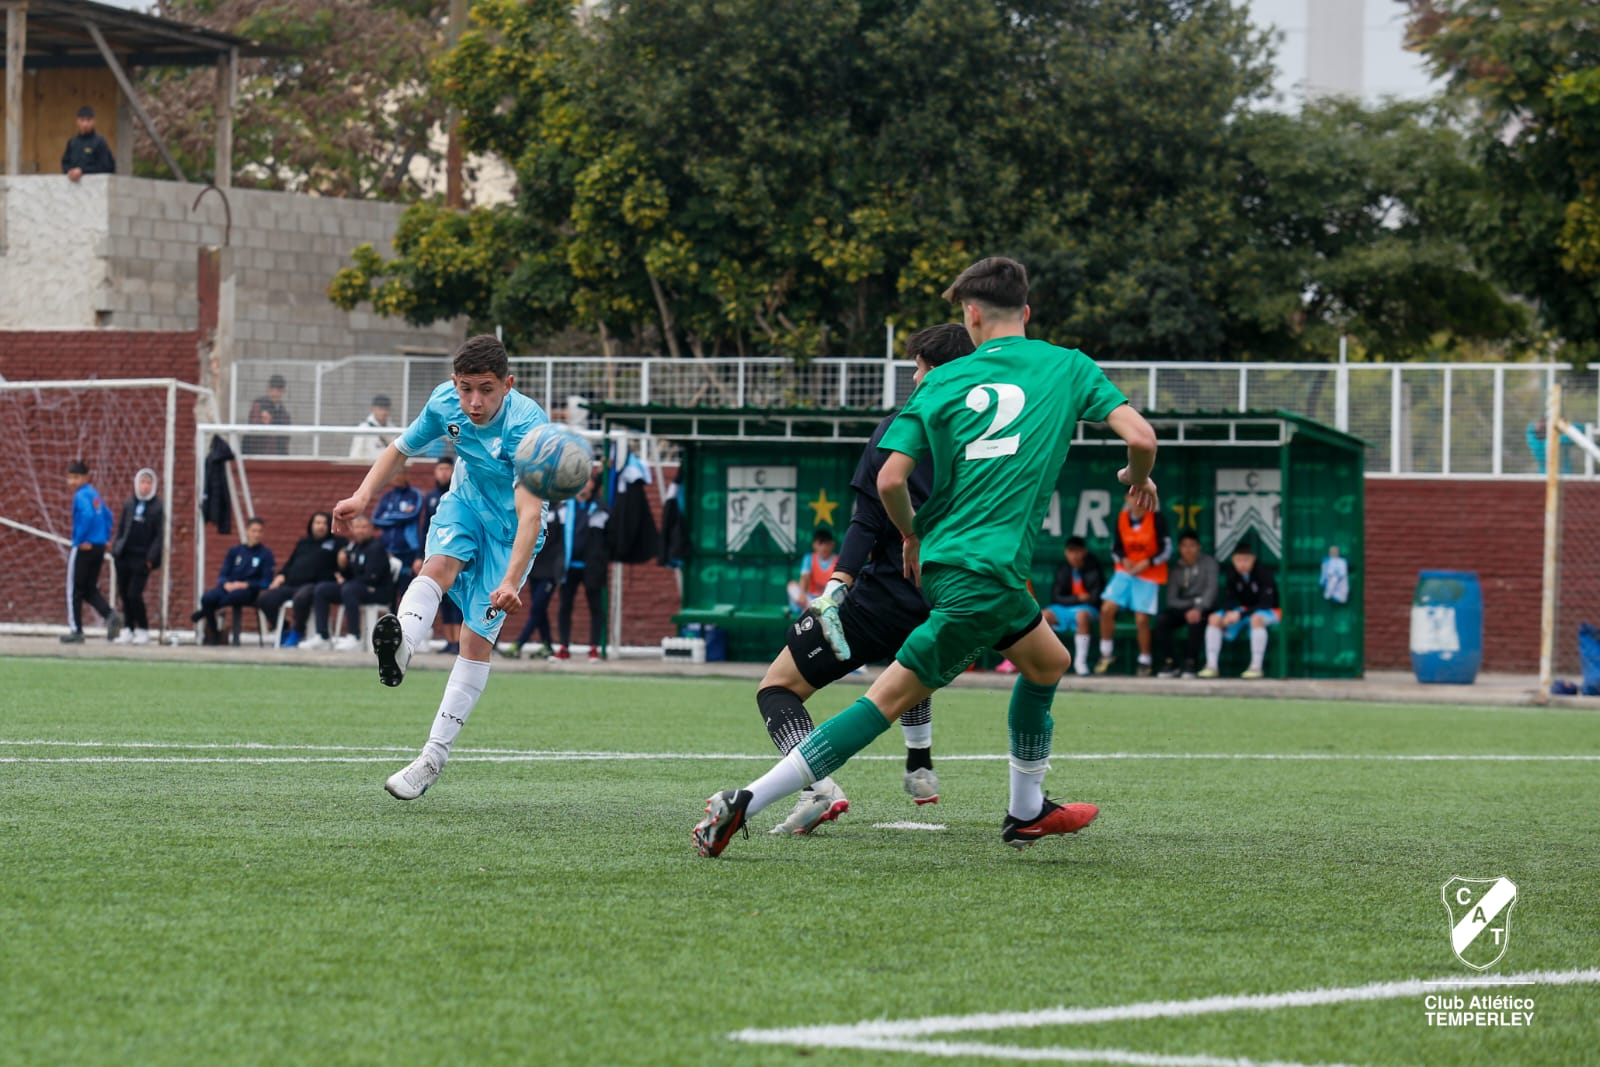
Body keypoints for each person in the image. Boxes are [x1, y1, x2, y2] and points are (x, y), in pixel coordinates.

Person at [694, 255, 1158, 857]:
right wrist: (1135, 475)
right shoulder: (1066, 365)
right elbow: (1141, 437)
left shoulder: (941, 381)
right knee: (885, 701)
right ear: (1027, 310)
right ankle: (746, 800)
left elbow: (890, 481)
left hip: (947, 566)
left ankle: (1026, 811)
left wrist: (912, 535)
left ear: (970, 315)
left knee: (1047, 661)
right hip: (983, 576)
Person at [755, 323, 975, 836]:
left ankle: (818, 787)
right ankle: (928, 767)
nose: (915, 377)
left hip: (890, 592)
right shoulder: (995, 436)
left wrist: (837, 582)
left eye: (919, 367)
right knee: (915, 661)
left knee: (777, 688)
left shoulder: (901, 425)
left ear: (937, 371)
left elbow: (869, 517)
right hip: (967, 597)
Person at [332, 334, 549, 801]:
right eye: (466, 388)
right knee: (438, 565)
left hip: (513, 532)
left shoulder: (529, 428)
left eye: (486, 389)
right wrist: (362, 496)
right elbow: (399, 448)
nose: (474, 402)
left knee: (474, 640)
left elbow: (531, 513)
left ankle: (431, 759)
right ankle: (404, 644)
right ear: (454, 382)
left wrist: (511, 580)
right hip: (466, 505)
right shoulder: (444, 403)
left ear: (507, 384)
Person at [1094, 499, 1171, 676]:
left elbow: (1166, 549)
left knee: (1141, 620)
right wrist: (1123, 559)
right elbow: (1115, 548)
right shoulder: (1122, 518)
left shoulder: (1157, 519)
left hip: (1149, 574)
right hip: (1125, 572)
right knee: (1106, 609)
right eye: (1132, 497)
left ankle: (1145, 660)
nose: (1136, 502)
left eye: (1140, 498)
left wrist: (1148, 562)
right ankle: (1106, 654)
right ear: (1127, 500)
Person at [255, 511, 341, 647]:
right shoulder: (303, 543)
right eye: (317, 523)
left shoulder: (336, 543)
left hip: (315, 586)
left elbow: (344, 562)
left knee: (301, 598)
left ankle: (298, 631)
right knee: (265, 599)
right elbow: (290, 563)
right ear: (311, 525)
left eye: (324, 523)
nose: (321, 526)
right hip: (292, 584)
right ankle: (284, 629)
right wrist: (281, 576)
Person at [309, 514, 393, 651]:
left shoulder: (376, 548)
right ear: (352, 530)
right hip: (356, 589)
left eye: (364, 527)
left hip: (378, 591)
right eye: (357, 527)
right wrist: (342, 566)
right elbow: (350, 575)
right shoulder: (355, 547)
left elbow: (372, 577)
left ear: (371, 529)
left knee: (349, 589)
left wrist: (348, 583)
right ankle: (322, 636)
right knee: (322, 589)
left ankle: (355, 637)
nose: (360, 531)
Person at [1201, 538, 1280, 680]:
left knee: (1256, 619)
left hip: (1269, 611)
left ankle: (1256, 667)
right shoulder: (1232, 573)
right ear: (1233, 560)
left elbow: (1266, 603)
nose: (1242, 564)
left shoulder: (1263, 573)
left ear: (1253, 559)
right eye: (1238, 560)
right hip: (1242, 612)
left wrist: (1241, 614)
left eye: (1246, 560)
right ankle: (1211, 666)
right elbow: (1229, 599)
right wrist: (1226, 614)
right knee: (1214, 619)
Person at [190, 517, 274, 645]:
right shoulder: (235, 551)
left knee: (233, 597)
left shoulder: (266, 554)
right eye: (253, 531)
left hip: (248, 591)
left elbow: (266, 581)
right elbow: (223, 573)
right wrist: (226, 583)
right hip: (229, 587)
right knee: (207, 598)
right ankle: (214, 633)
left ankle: (203, 613)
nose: (256, 534)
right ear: (247, 531)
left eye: (259, 531)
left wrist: (247, 584)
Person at [499, 500, 566, 660]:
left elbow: (561, 541)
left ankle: (519, 643)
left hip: (550, 571)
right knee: (539, 609)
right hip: (534, 568)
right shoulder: (534, 505)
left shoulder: (561, 511)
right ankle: (547, 645)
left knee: (537, 608)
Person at [62, 460, 120, 643]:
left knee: (75, 589)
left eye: (76, 477)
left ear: (86, 478)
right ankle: (110, 615)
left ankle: (76, 630)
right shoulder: (94, 495)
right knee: (88, 588)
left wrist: (79, 540)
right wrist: (104, 538)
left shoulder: (80, 496)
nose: (72, 482)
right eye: (70, 478)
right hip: (98, 547)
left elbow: (87, 515)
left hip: (85, 547)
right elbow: (108, 515)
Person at [555, 477, 610, 661]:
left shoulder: (600, 510)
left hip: (592, 569)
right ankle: (563, 647)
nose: (583, 485)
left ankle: (594, 648)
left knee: (596, 608)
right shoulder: (563, 507)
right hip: (568, 568)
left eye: (587, 481)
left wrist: (600, 562)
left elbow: (608, 540)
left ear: (593, 484)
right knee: (564, 607)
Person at [1152, 530, 1218, 678]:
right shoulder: (1176, 567)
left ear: (1199, 547)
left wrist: (1198, 607)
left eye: (1192, 545)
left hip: (1205, 608)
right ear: (1180, 548)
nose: (1188, 550)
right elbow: (1171, 599)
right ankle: (1171, 663)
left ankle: (1191, 662)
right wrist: (1191, 605)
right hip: (1184, 607)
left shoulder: (1209, 563)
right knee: (1162, 620)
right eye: (1184, 546)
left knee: (1196, 621)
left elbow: (1211, 592)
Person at [110, 467, 164, 645]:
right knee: (124, 594)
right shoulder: (129, 503)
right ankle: (128, 629)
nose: (145, 486)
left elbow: (159, 536)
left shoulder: (157, 507)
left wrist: (151, 558)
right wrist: (117, 549)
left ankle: (143, 629)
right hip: (125, 556)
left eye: (148, 483)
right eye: (142, 482)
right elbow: (122, 529)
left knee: (134, 594)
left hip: (142, 558)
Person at [1043, 536, 1106, 678]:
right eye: (1071, 551)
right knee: (1044, 615)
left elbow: (1094, 598)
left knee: (1081, 615)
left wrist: (1082, 600)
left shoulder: (1094, 569)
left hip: (1088, 609)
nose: (1074, 555)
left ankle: (1080, 662)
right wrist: (1077, 598)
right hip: (1065, 608)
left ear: (1084, 552)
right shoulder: (1063, 569)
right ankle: (1048, 661)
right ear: (1066, 553)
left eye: (1077, 551)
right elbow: (1056, 596)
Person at [419, 455, 464, 654]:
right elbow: (424, 528)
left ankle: (460, 641)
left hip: (455, 551)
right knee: (442, 599)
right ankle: (449, 640)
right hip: (436, 550)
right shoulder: (430, 497)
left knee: (457, 597)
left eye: (448, 469)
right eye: (440, 469)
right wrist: (421, 555)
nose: (444, 473)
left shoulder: (458, 494)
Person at [371, 466, 423, 605]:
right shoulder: (387, 497)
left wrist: (388, 516)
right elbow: (375, 520)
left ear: (406, 475)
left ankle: (407, 623)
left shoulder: (415, 495)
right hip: (388, 552)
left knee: (406, 590)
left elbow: (413, 514)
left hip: (408, 551)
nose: (395, 477)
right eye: (392, 474)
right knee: (389, 591)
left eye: (398, 473)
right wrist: (400, 516)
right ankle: (393, 623)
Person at [786, 528, 838, 616]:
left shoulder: (838, 560)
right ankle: (810, 609)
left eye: (827, 544)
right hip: (809, 598)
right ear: (814, 545)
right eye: (820, 544)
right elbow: (804, 577)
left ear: (832, 545)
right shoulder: (809, 558)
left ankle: (810, 610)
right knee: (791, 586)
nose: (824, 547)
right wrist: (802, 594)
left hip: (826, 600)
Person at [61, 106, 115, 182]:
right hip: (73, 187)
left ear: (94, 121)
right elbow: (65, 163)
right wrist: (69, 171)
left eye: (88, 120)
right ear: (77, 121)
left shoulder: (100, 142)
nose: (85, 124)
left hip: (96, 186)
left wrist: (82, 171)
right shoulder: (72, 143)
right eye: (82, 120)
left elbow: (105, 167)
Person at [244, 375, 293, 456]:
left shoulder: (284, 414)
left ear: (283, 391)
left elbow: (285, 440)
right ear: (268, 389)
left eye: (278, 391)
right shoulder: (259, 405)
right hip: (257, 456)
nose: (275, 394)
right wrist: (262, 424)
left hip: (277, 458)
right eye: (272, 390)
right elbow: (252, 432)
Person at [349, 394, 396, 459]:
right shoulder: (363, 429)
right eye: (380, 409)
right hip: (368, 467)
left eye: (386, 409)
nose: (383, 412)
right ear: (373, 409)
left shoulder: (393, 430)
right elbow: (355, 454)